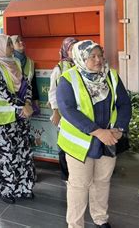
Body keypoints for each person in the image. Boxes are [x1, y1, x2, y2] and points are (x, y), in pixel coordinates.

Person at [56, 40, 131, 228]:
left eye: (100, 55)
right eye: (92, 56)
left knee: (102, 181)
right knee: (79, 186)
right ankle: (75, 224)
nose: (98, 60)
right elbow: (68, 110)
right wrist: (97, 132)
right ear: (81, 58)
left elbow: (124, 104)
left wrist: (120, 128)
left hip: (108, 140)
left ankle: (100, 219)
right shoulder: (68, 79)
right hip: (80, 143)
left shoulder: (111, 75)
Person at [0, 34, 35, 204]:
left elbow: (26, 84)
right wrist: (22, 106)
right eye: (8, 45)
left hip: (21, 116)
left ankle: (23, 187)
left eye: (10, 44)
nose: (11, 47)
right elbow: (3, 91)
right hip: (4, 118)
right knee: (6, 155)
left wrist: (27, 102)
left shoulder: (16, 63)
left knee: (23, 151)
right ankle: (4, 190)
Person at [48, 37, 78, 181]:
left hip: (81, 113)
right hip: (65, 113)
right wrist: (55, 111)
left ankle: (78, 174)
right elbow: (53, 91)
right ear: (65, 50)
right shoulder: (59, 68)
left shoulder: (84, 65)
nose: (74, 51)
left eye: (76, 47)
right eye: (71, 48)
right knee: (64, 144)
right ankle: (66, 176)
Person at [11, 35, 40, 108]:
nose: (21, 42)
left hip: (27, 98)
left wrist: (35, 99)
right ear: (12, 46)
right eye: (17, 41)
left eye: (21, 40)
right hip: (13, 99)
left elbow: (33, 82)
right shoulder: (9, 62)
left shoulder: (30, 62)